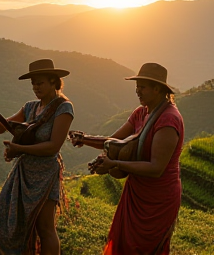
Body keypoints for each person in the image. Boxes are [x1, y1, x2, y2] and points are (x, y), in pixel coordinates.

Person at [69, 62, 184, 255]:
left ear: (157, 89)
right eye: (136, 87)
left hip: (158, 198)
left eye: (142, 87)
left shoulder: (168, 120)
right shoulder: (141, 113)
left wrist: (114, 164)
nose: (137, 91)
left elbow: (156, 168)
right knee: (126, 245)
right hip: (136, 191)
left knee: (146, 248)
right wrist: (85, 139)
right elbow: (115, 141)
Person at [0, 58, 74, 255]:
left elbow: (53, 146)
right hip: (24, 172)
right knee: (0, 218)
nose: (35, 87)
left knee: (45, 227)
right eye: (33, 83)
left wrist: (19, 150)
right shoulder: (29, 107)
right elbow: (1, 127)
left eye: (40, 83)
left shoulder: (64, 108)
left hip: (46, 173)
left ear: (54, 82)